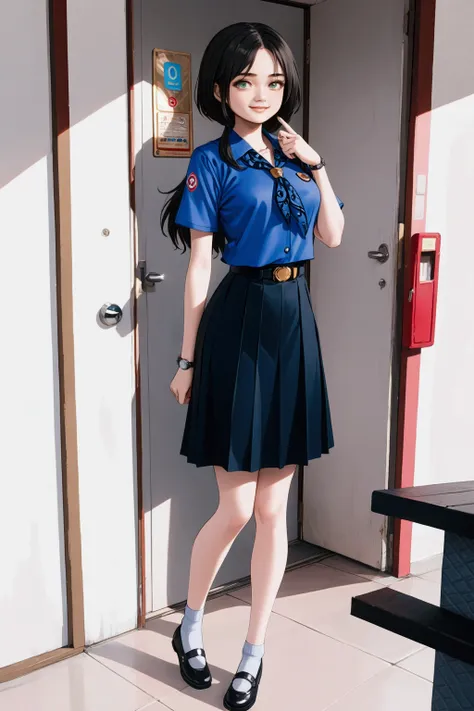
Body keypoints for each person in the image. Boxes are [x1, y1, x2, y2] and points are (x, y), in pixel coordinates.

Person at [160, 21, 344, 711]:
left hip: (294, 320)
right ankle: (193, 624)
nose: (260, 93)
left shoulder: (298, 156)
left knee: (274, 507)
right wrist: (186, 359)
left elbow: (332, 234)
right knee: (236, 507)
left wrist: (318, 164)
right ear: (220, 88)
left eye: (272, 79)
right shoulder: (210, 162)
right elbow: (200, 265)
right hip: (238, 321)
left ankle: (253, 653)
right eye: (245, 81)